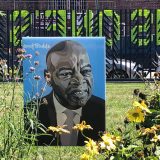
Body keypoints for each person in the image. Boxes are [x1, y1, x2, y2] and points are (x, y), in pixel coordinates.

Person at [25, 40, 105, 146]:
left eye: (85, 71)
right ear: (48, 78)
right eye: (66, 74)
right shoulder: (31, 112)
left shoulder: (102, 109)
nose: (80, 80)